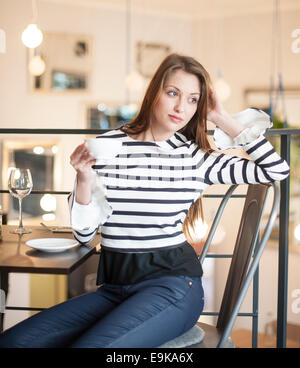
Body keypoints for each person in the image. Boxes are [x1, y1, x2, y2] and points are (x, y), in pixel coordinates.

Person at [0, 53, 289, 348]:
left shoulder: (195, 157)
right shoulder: (108, 146)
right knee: (14, 342)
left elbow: (276, 170)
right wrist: (84, 178)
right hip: (114, 290)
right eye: (173, 93)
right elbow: (85, 235)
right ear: (155, 92)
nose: (180, 107)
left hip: (173, 287)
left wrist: (221, 118)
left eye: (192, 99)